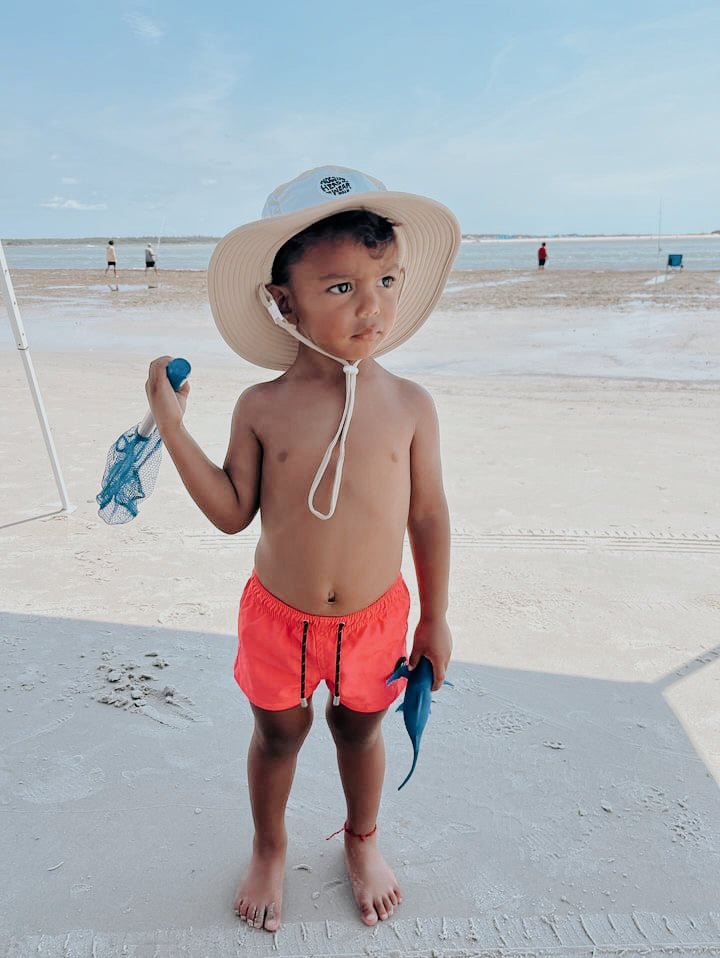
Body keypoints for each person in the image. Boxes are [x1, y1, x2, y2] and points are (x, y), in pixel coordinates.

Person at [145, 166, 460, 932]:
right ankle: (269, 844)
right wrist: (173, 427)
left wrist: (435, 619)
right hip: (279, 618)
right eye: (341, 287)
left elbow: (427, 514)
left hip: (379, 617)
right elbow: (230, 512)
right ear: (283, 302)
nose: (374, 304)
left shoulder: (411, 405)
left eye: (386, 279)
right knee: (277, 734)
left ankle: (361, 839)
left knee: (361, 729)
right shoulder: (262, 408)